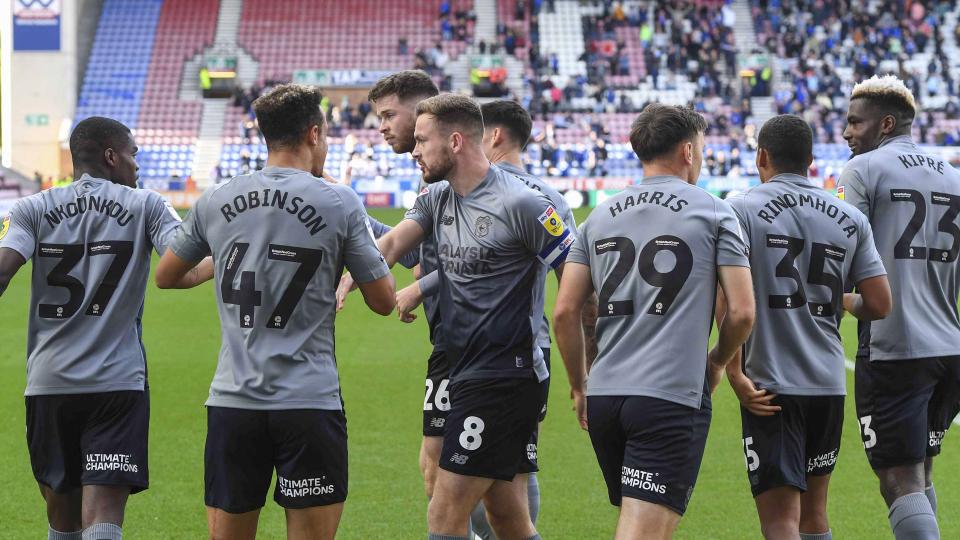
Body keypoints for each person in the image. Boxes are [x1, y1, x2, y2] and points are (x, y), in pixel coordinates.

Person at [154, 84, 396, 540]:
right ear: (314, 133)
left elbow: (167, 275)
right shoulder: (339, 201)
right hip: (308, 400)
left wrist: (229, 259)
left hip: (232, 401)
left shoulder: (218, 197)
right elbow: (384, 301)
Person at [0, 116, 212, 540]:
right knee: (103, 517)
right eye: (133, 155)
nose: (137, 167)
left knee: (62, 519)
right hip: (117, 380)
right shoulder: (146, 205)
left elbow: (3, 272)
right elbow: (182, 267)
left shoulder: (31, 208)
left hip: (49, 382)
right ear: (112, 156)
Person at [374, 94, 573, 539]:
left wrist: (586, 372)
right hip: (467, 371)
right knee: (506, 515)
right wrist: (348, 274)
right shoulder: (438, 199)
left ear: (457, 141)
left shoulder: (523, 203)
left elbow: (576, 282)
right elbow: (388, 248)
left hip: (506, 375)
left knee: (445, 513)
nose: (415, 150)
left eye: (423, 140)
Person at [552, 104, 756, 540]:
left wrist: (579, 383)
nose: (701, 158)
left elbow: (566, 311)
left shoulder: (599, 216)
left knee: (634, 520)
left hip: (606, 395)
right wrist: (719, 361)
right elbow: (741, 312)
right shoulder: (716, 212)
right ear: (687, 150)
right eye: (701, 149)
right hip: (669, 396)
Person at [723, 115, 891, 540]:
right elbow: (879, 303)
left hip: (771, 385)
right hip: (829, 383)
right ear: (811, 161)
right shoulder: (850, 218)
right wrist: (839, 299)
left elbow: (727, 301)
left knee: (780, 521)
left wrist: (731, 369)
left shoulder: (740, 208)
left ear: (761, 155)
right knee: (814, 517)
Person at [840, 74, 960, 540]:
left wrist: (838, 300)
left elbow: (841, 256)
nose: (847, 132)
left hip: (894, 347)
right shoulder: (953, 174)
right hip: (948, 348)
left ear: (885, 124)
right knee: (921, 476)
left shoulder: (863, 170)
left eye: (854, 122)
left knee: (899, 482)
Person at [342, 70, 453, 507]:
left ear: (422, 109)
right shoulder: (432, 179)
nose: (382, 126)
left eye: (389, 114)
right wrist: (350, 209)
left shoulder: (459, 178)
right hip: (450, 337)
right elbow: (408, 250)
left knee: (462, 478)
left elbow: (491, 257)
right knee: (458, 478)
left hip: (491, 342)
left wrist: (420, 285)